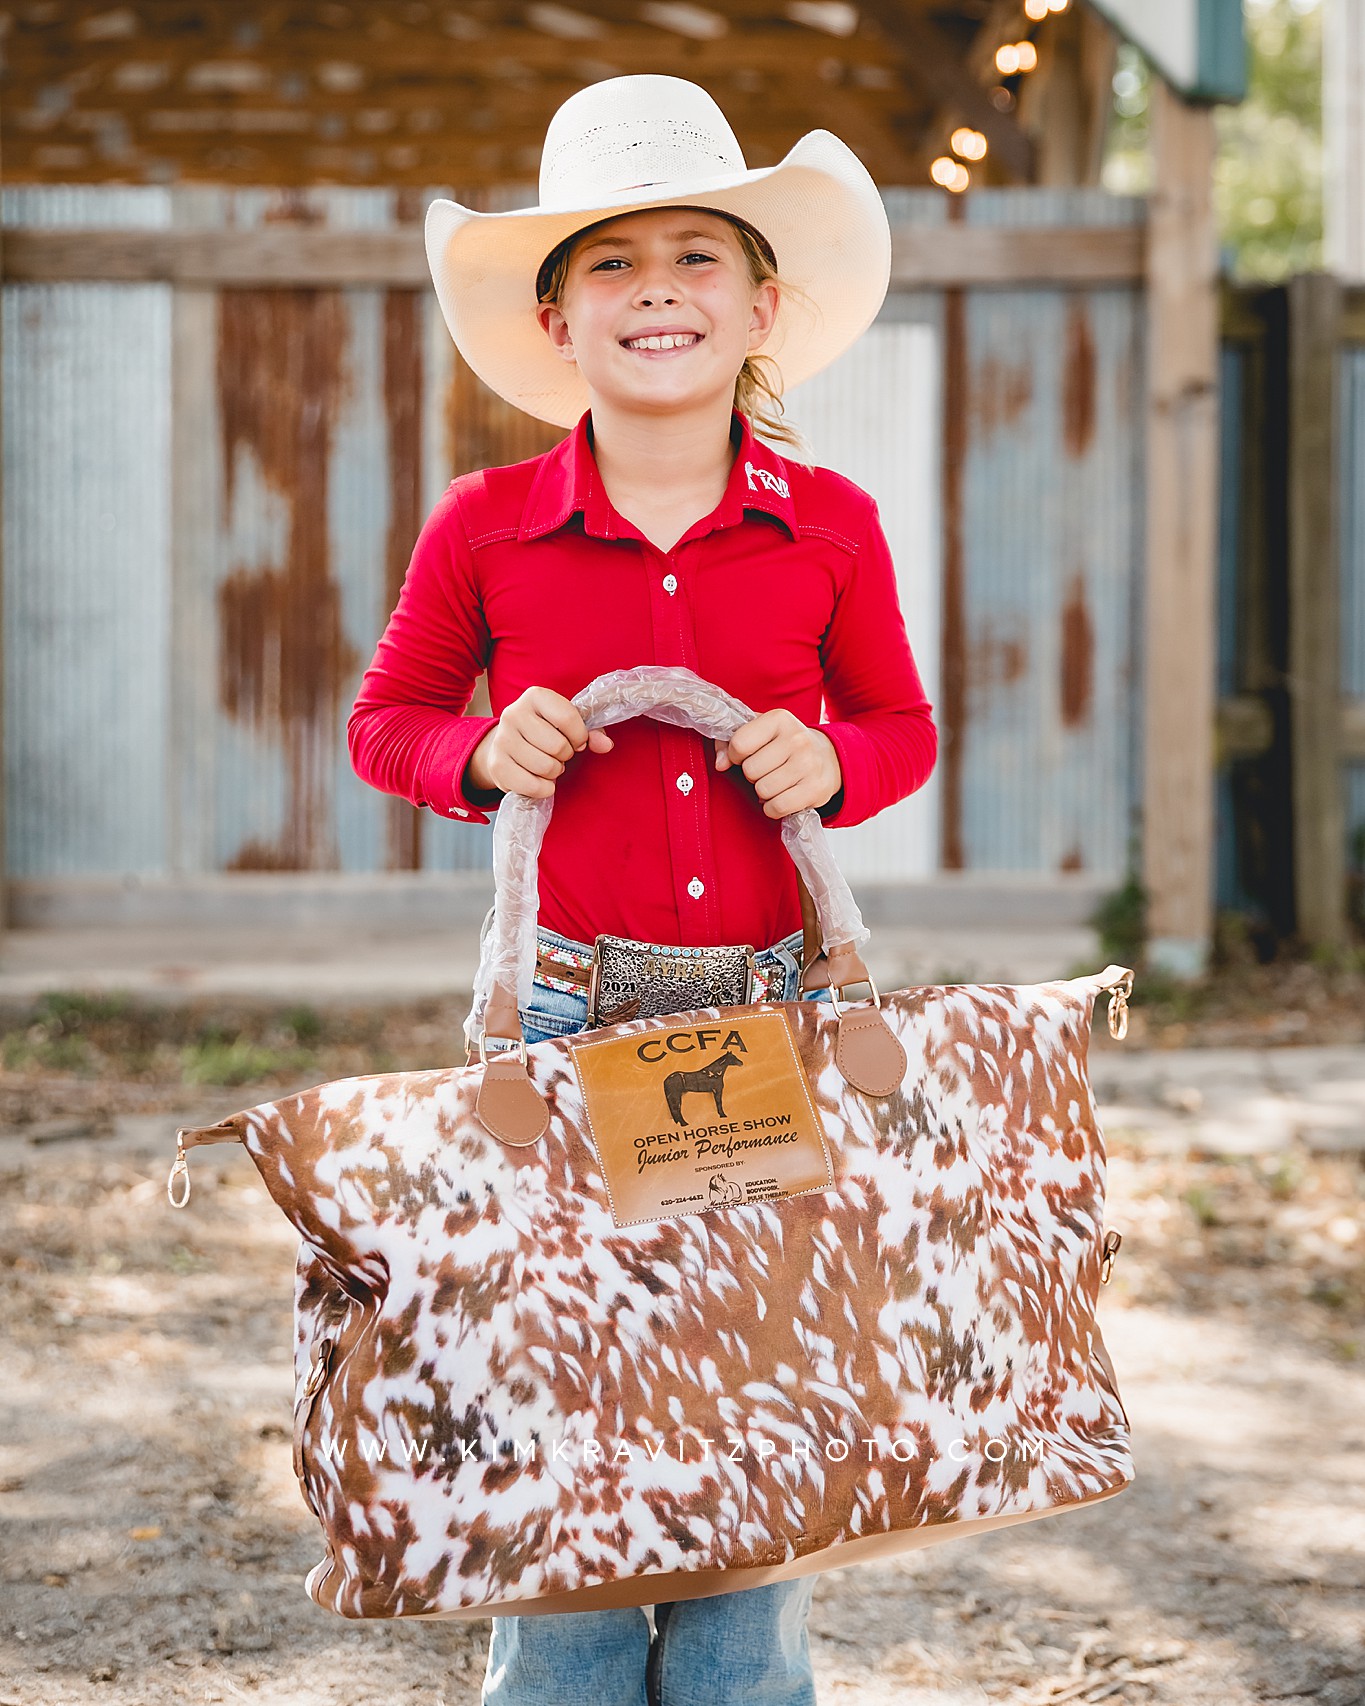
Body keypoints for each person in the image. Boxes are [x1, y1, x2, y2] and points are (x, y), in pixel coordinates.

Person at [346, 71, 937, 1706]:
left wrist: (841, 770)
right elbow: (380, 722)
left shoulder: (828, 529)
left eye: (696, 255)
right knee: (574, 1440)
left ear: (760, 306)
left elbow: (898, 722)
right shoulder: (487, 529)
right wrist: (480, 752)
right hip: (562, 1024)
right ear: (553, 320)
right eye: (611, 261)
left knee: (750, 1442)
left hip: (768, 1024)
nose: (656, 288)